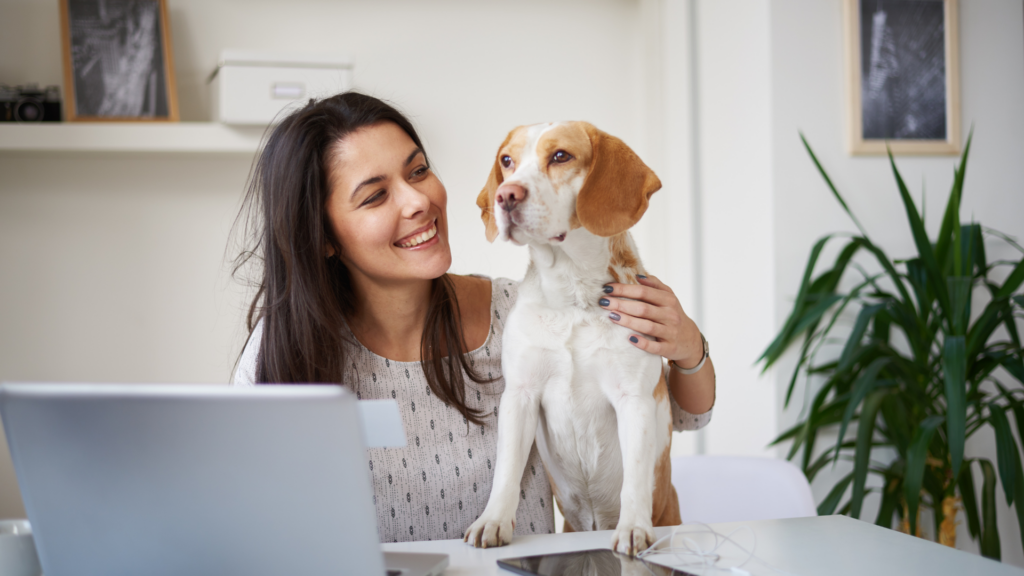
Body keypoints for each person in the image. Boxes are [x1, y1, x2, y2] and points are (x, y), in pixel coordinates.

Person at [231, 92, 715, 543]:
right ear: (324, 237)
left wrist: (690, 349)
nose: (418, 201)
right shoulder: (283, 352)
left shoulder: (520, 314)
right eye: (376, 196)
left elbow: (682, 416)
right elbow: (248, 522)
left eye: (418, 171)